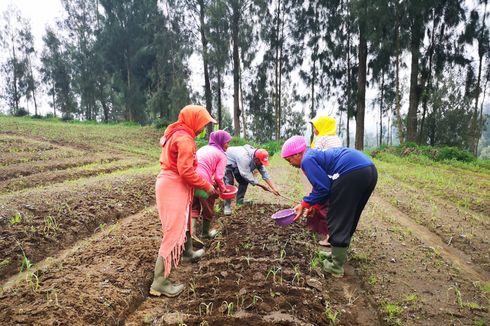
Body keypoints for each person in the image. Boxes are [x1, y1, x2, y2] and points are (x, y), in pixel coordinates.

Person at [281, 135, 377, 278]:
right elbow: (323, 185)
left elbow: (323, 189)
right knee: (349, 214)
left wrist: (304, 204)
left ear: (297, 154)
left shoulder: (306, 160)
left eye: (289, 160)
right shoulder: (313, 154)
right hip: (368, 170)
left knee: (337, 216)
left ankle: (336, 267)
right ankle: (335, 254)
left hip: (351, 173)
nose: (290, 164)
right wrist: (313, 205)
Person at [150, 105, 217, 297]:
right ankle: (159, 281)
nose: (204, 128)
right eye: (203, 124)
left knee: (184, 224)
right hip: (173, 185)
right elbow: (186, 171)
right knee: (173, 232)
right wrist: (206, 186)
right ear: (194, 121)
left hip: (171, 183)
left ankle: (186, 254)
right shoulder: (185, 139)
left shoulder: (177, 132)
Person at [191, 130, 232, 240]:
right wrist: (224, 189)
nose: (228, 145)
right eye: (227, 142)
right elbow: (219, 177)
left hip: (190, 178)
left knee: (194, 207)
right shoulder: (221, 155)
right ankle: (205, 233)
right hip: (203, 180)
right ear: (220, 141)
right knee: (208, 205)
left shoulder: (204, 148)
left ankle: (191, 234)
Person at [309, 115, 343, 247]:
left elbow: (315, 158)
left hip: (325, 174)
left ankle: (329, 237)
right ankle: (329, 233)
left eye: (315, 127)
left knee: (323, 206)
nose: (314, 130)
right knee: (331, 205)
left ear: (322, 126)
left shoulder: (321, 138)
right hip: (336, 174)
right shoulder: (335, 138)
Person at [223, 145, 280, 215]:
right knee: (229, 182)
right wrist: (262, 186)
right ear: (256, 159)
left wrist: (274, 188)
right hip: (227, 161)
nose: (261, 164)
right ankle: (227, 206)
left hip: (237, 164)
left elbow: (264, 173)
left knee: (244, 181)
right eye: (261, 162)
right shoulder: (244, 157)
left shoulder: (257, 157)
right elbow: (246, 174)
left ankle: (239, 202)